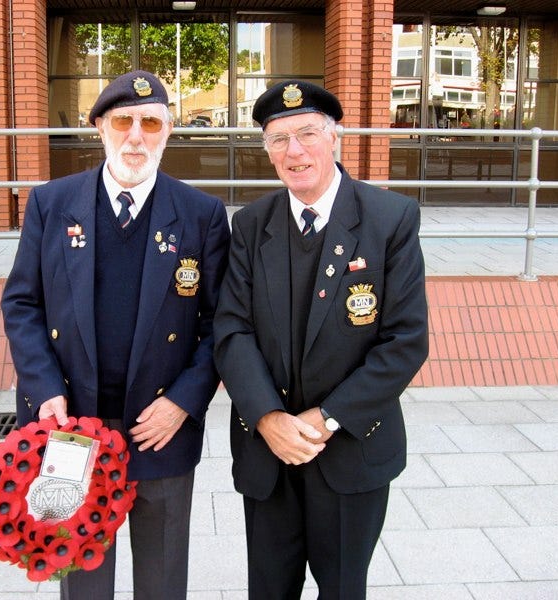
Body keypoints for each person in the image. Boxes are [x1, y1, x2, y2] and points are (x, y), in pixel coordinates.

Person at [1, 70, 230, 600]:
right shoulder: (51, 204)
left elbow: (220, 323)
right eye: (123, 121)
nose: (136, 135)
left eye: (151, 123)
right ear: (99, 127)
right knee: (81, 576)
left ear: (168, 131)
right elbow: (21, 302)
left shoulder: (201, 214)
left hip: (160, 427)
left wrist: (183, 402)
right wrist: (45, 388)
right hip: (72, 423)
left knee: (163, 577)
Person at [213, 80, 429, 600]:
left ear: (335, 138)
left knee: (342, 589)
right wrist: (269, 418)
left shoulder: (390, 219)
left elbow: (405, 341)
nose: (294, 151)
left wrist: (322, 419)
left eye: (307, 133)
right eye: (277, 138)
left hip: (350, 449)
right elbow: (231, 329)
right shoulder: (249, 225)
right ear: (266, 150)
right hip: (268, 452)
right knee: (268, 589)